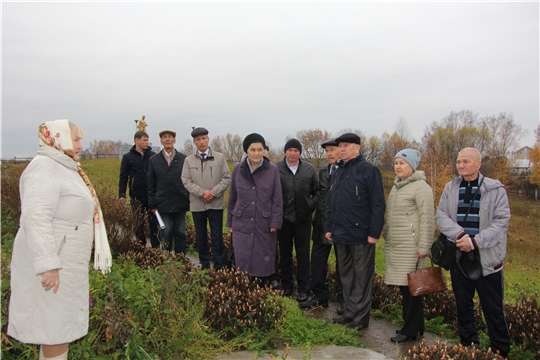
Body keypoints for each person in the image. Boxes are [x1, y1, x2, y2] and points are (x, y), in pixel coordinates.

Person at [8, 119, 112, 360]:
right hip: (54, 266)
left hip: (67, 261)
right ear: (58, 138)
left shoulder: (65, 167)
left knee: (57, 327)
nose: (80, 145)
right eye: (75, 139)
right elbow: (35, 216)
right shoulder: (44, 167)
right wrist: (48, 264)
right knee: (53, 328)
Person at [435, 147, 511, 357]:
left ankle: (500, 351)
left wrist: (475, 242)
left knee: (493, 309)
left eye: (466, 162)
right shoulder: (451, 188)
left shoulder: (495, 190)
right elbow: (441, 216)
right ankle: (469, 346)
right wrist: (460, 236)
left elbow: (501, 222)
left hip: (487, 260)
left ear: (478, 164)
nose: (461, 165)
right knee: (463, 306)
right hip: (460, 257)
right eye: (458, 161)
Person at [325, 133, 385, 331]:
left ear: (357, 148)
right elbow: (331, 202)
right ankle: (350, 312)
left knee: (362, 277)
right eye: (340, 146)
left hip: (361, 235)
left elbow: (378, 204)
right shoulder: (338, 171)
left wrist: (374, 232)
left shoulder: (369, 170)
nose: (342, 149)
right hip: (340, 234)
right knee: (346, 276)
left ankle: (361, 317)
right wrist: (329, 227)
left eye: (346, 145)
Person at [383, 149, 434, 342]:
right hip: (398, 245)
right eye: (396, 163)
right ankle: (417, 326)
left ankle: (409, 330)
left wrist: (424, 247)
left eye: (402, 163)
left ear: (412, 166)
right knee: (408, 288)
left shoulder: (421, 188)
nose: (398, 166)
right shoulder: (398, 186)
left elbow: (427, 219)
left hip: (412, 248)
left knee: (412, 289)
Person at [226, 133, 283, 284]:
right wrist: (230, 221)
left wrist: (275, 221)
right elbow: (233, 196)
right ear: (247, 151)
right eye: (253, 150)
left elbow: (277, 198)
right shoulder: (238, 169)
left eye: (260, 149)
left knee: (262, 255)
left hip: (263, 220)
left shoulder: (272, 170)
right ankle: (244, 285)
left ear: (264, 150)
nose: (257, 153)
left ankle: (262, 286)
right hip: (242, 219)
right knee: (242, 253)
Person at [300, 138, 345, 312]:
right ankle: (319, 296)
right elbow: (318, 195)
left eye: (333, 150)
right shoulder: (323, 171)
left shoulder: (347, 171)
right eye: (327, 151)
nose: (329, 154)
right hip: (321, 224)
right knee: (318, 263)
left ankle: (344, 300)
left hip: (341, 226)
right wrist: (311, 209)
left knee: (343, 265)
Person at [276, 139, 320, 301]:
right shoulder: (277, 169)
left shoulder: (309, 169)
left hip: (303, 219)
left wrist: (309, 206)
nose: (293, 153)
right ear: (285, 152)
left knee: (303, 255)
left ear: (300, 152)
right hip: (284, 219)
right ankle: (287, 286)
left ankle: (303, 289)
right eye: (290, 150)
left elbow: (318, 191)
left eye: (296, 150)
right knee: (285, 254)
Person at [182, 127, 231, 270]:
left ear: (208, 140)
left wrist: (213, 193)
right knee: (201, 237)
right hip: (198, 205)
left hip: (215, 205)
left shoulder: (220, 157)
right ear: (194, 142)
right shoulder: (188, 160)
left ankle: (219, 266)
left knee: (217, 237)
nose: (201, 142)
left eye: (204, 138)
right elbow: (186, 180)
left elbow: (226, 178)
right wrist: (202, 193)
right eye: (198, 139)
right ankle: (204, 266)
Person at [148, 130, 190, 254]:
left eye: (170, 137)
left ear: (174, 140)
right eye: (164, 137)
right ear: (161, 141)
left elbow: (188, 180)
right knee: (165, 232)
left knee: (180, 232)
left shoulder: (183, 159)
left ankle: (180, 259)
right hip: (163, 203)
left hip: (180, 202)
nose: (167, 139)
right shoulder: (154, 160)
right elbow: (151, 184)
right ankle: (166, 260)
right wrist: (152, 204)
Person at [119, 130, 159, 248]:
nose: (147, 143)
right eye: (144, 140)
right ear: (137, 140)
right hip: (136, 195)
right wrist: (122, 194)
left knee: (154, 223)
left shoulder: (153, 156)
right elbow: (123, 176)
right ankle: (141, 245)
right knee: (138, 222)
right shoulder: (128, 157)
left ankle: (156, 247)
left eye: (148, 140)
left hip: (151, 196)